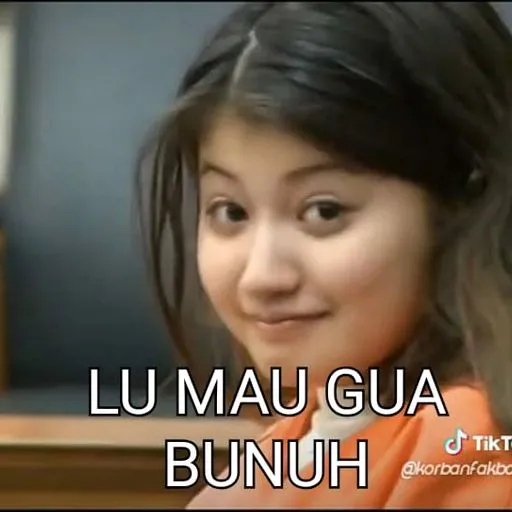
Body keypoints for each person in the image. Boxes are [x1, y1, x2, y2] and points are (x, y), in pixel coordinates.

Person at [136, 2, 512, 508]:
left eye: (324, 211)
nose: (261, 276)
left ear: (462, 202)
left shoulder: (469, 446)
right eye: (231, 212)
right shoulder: (288, 447)